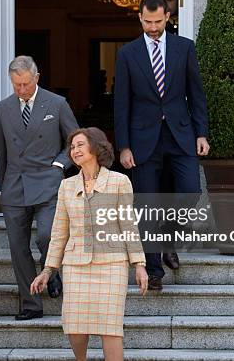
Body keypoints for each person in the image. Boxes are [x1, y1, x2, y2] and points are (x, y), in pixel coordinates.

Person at [114, 0, 210, 291]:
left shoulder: (185, 48)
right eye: (147, 21)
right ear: (140, 18)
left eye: (157, 21)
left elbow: (196, 94)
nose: (153, 27)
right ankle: (154, 271)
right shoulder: (127, 54)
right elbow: (122, 103)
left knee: (190, 191)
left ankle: (169, 238)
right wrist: (124, 146)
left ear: (168, 17)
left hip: (180, 134)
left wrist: (201, 133)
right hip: (143, 139)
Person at [31, 127, 148, 361]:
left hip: (111, 265)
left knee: (110, 328)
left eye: (80, 145)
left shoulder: (119, 182)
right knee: (74, 327)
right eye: (72, 147)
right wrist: (48, 269)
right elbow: (59, 232)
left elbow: (129, 226)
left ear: (95, 147)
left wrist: (139, 264)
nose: (75, 150)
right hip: (76, 266)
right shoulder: (66, 186)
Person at [0, 55, 79, 320]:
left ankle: (50, 271)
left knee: (46, 236)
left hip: (47, 182)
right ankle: (30, 304)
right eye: (16, 84)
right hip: (15, 186)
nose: (21, 90)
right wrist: (2, 186)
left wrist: (59, 166)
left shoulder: (57, 103)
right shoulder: (2, 108)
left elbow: (75, 141)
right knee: (18, 248)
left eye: (26, 84)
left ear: (37, 78)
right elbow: (1, 151)